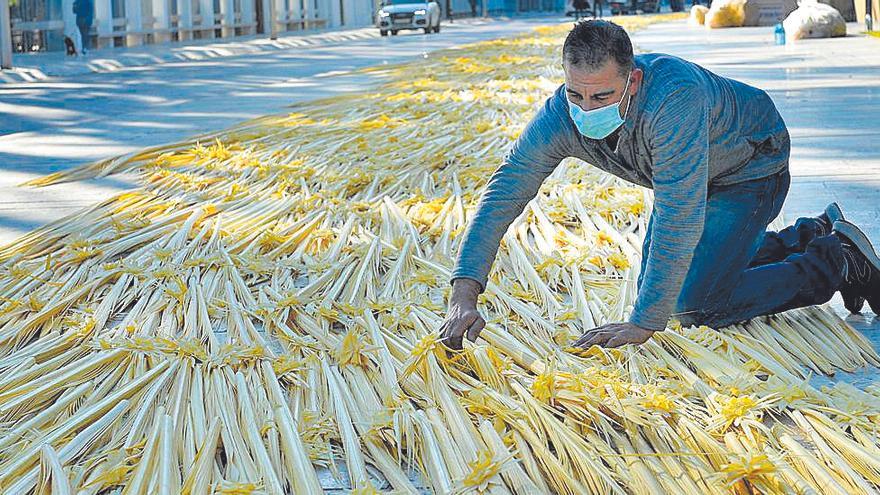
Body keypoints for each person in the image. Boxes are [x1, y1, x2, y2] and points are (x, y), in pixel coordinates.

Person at [440, 20, 879, 350]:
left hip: (750, 166)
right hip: (699, 173)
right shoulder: (562, 114)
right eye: (576, 95)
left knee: (689, 306)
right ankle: (811, 233)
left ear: (632, 80)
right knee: (666, 282)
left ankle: (837, 261)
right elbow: (505, 192)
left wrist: (645, 324)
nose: (586, 109)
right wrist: (464, 292)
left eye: (602, 98)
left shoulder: (673, 102)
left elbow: (679, 214)